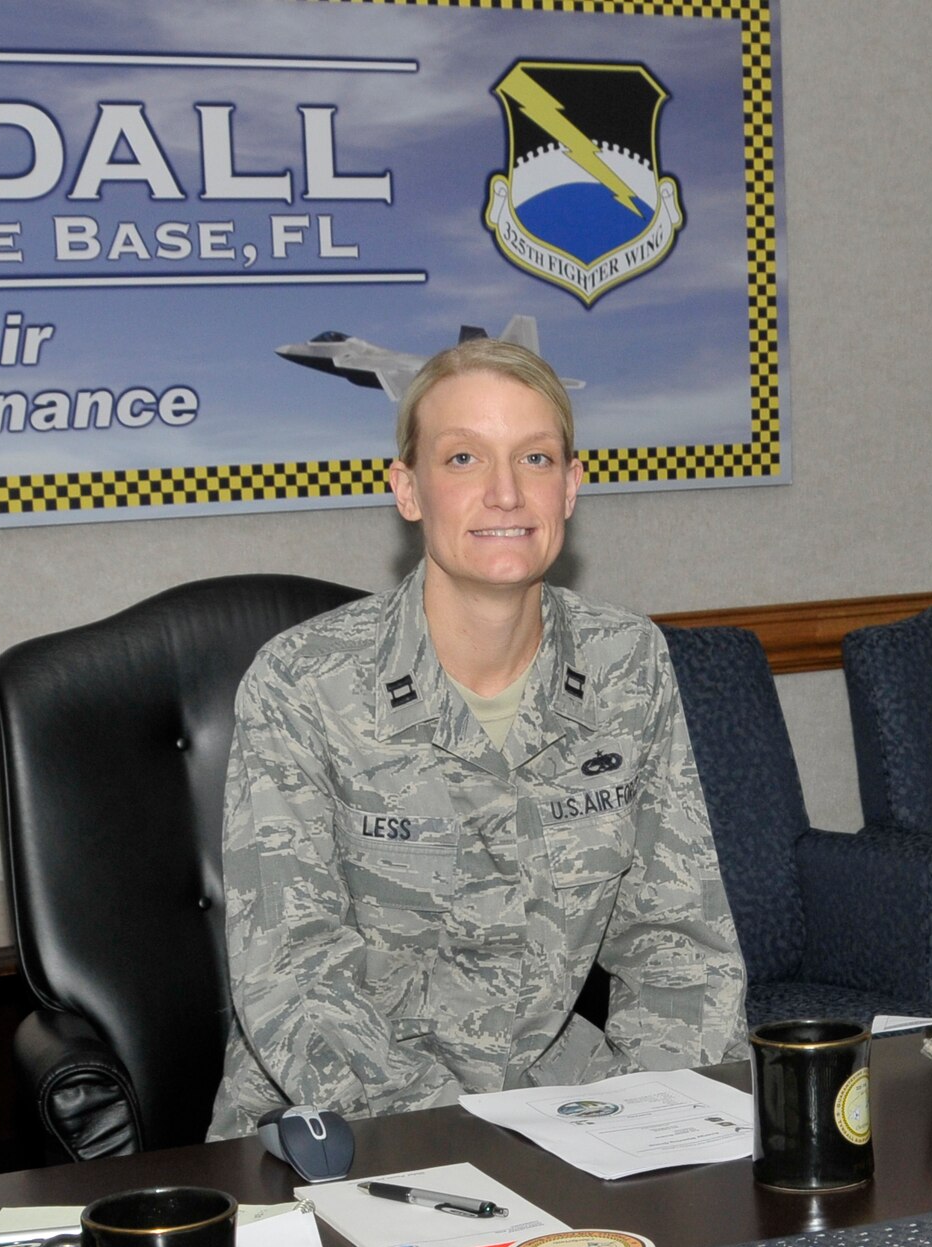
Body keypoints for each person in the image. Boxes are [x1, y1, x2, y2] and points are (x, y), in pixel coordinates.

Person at [208, 339, 748, 1139]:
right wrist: (468, 1136)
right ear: (408, 489)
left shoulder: (625, 662)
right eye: (463, 458)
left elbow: (679, 942)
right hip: (344, 1121)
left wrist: (663, 1124)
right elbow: (295, 977)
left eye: (535, 458)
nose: (505, 493)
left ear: (570, 487)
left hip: (560, 1104)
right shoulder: (304, 681)